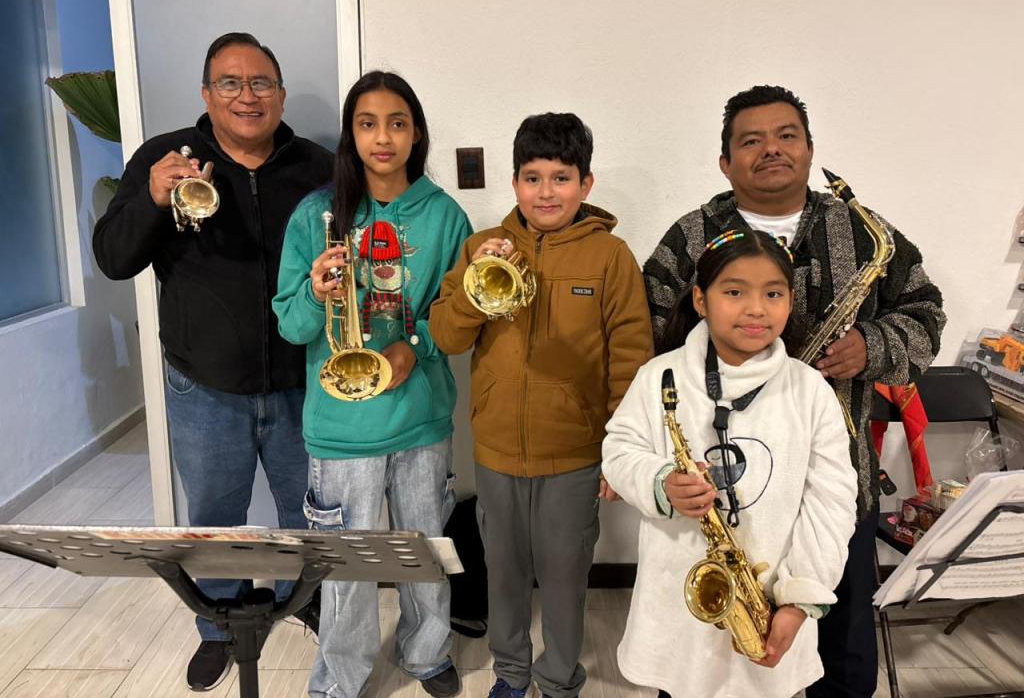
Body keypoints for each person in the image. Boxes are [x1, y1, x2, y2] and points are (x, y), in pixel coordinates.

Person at [643, 85, 946, 698]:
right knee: (709, 657)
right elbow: (645, 336)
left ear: (809, 148)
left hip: (836, 482)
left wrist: (872, 345)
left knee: (844, 656)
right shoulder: (690, 235)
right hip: (721, 485)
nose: (771, 150)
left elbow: (927, 314)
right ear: (725, 162)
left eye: (787, 136)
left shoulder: (864, 233)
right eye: (750, 141)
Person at [93, 32, 333, 691]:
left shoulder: (317, 167)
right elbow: (113, 258)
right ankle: (219, 625)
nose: (246, 96)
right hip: (204, 386)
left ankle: (305, 603)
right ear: (206, 94)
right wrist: (151, 198)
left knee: (308, 511)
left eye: (261, 83)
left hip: (303, 383)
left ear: (281, 94)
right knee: (213, 517)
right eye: (230, 83)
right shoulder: (165, 159)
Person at [429, 112, 654, 698]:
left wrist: (620, 453)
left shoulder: (610, 257)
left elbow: (631, 360)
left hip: (575, 454)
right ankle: (510, 673)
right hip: (497, 451)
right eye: (532, 178)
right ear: (514, 183)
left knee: (564, 574)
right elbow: (446, 337)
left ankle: (558, 679)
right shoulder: (481, 247)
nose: (546, 192)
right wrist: (477, 282)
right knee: (502, 573)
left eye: (561, 178)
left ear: (586, 184)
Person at [273, 70, 472, 698]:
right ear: (350, 135)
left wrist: (417, 347)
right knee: (346, 566)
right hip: (341, 426)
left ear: (416, 134)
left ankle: (426, 652)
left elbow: (460, 311)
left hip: (420, 417)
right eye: (367, 124)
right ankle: (341, 675)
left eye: (396, 123)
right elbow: (292, 325)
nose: (382, 138)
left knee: (424, 550)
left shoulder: (445, 216)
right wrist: (316, 290)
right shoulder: (315, 214)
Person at [603, 229, 858, 698]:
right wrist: (661, 484)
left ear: (790, 301)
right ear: (700, 300)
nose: (756, 309)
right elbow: (619, 450)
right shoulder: (658, 375)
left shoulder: (811, 391)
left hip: (771, 607)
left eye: (773, 294)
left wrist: (800, 598)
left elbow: (832, 505)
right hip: (679, 608)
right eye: (735, 292)